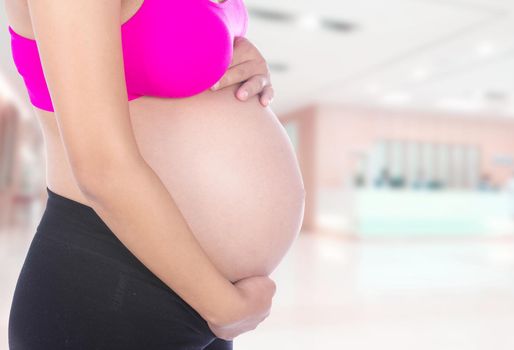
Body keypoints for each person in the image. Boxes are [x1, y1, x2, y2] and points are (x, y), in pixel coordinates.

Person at [6, 0, 306, 349]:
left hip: (202, 296)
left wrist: (238, 54)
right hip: (109, 286)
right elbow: (100, 165)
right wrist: (223, 306)